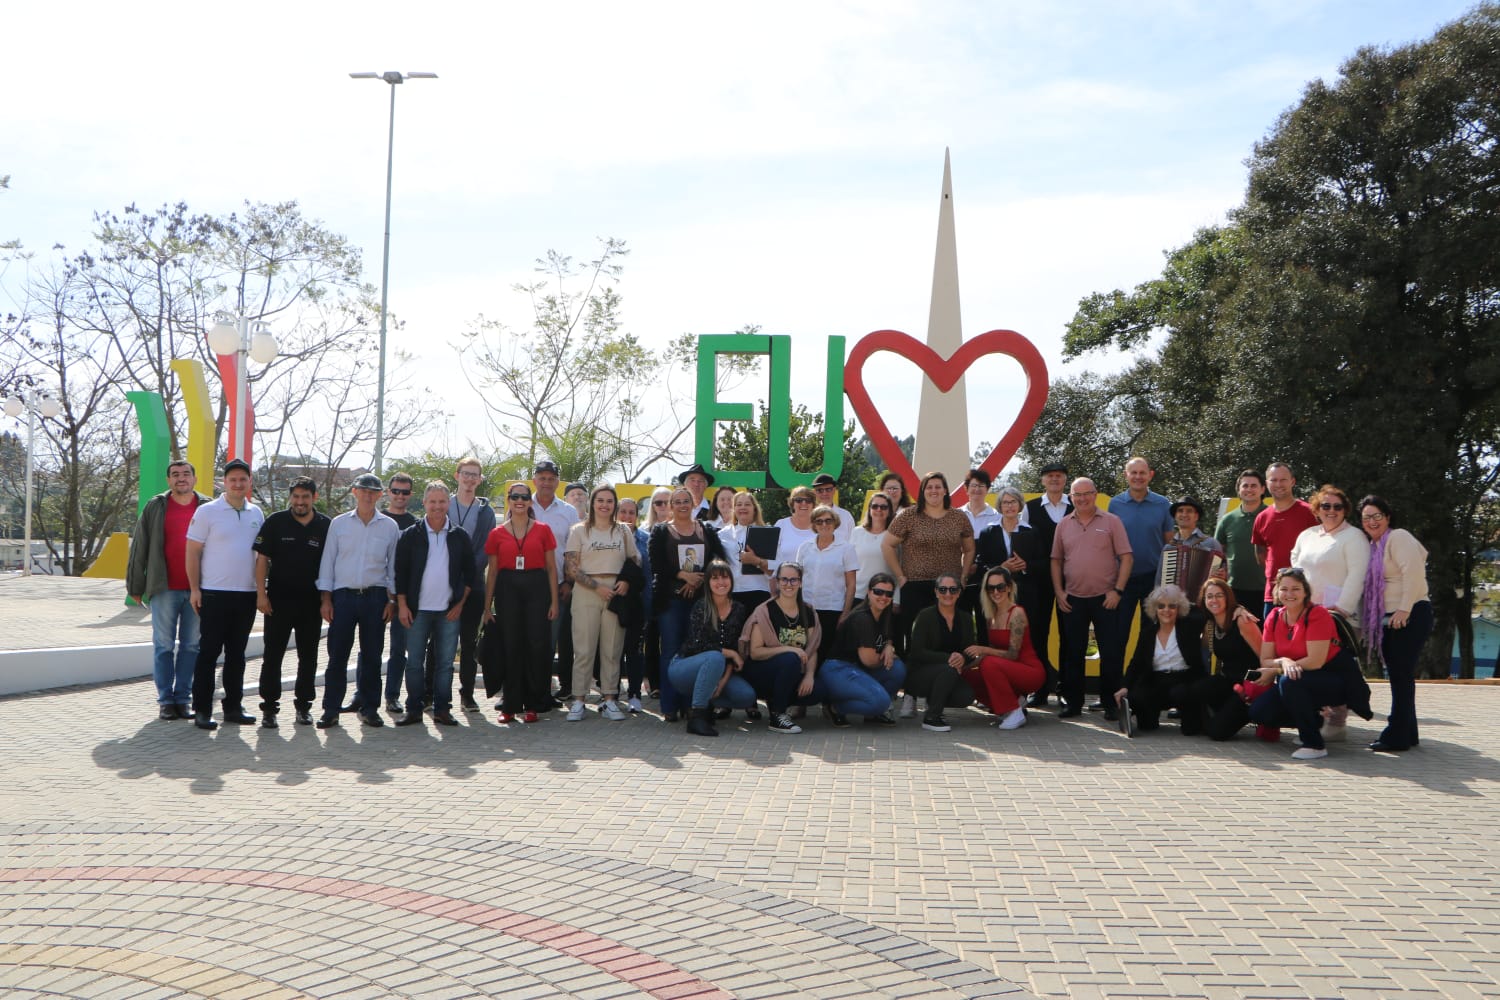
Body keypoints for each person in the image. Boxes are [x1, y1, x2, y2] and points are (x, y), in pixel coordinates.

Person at [1248, 567, 1370, 760]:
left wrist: (1279, 669)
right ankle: (1315, 720)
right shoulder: (1274, 617)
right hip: (1302, 677)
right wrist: (1284, 661)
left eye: (1295, 589)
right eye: (1284, 589)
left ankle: (1314, 744)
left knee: (1289, 682)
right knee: (1260, 712)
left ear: (1305, 591)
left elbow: (1315, 661)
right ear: (1277, 592)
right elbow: (1265, 660)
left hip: (1335, 679)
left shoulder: (1317, 614)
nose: (1289, 594)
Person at [185, 458, 265, 731]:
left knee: (237, 655)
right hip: (214, 594)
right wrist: (195, 589)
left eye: (243, 479)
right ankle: (202, 709)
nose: (238, 484)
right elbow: (193, 553)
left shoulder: (256, 513)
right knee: (208, 653)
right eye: (233, 479)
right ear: (224, 482)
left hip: (245, 595)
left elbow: (260, 557)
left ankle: (233, 707)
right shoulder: (207, 512)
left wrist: (260, 591)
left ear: (249, 482)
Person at [315, 472, 400, 729]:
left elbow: (393, 567)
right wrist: (326, 599)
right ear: (354, 492)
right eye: (363, 490)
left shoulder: (389, 526)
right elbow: (328, 562)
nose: (367, 495)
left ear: (380, 495)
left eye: (373, 491)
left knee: (373, 656)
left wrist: (392, 601)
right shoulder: (339, 524)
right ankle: (331, 709)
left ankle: (369, 708)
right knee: (337, 656)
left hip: (375, 597)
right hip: (343, 597)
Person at [127, 459, 208, 721]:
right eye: (175, 474)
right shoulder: (156, 506)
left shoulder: (208, 507)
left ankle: (183, 699)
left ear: (195, 479)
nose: (181, 478)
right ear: (168, 480)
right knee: (163, 645)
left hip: (199, 589)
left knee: (191, 646)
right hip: (164, 588)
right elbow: (140, 545)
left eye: (186, 474)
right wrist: (136, 585)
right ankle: (165, 700)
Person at [1290, 483, 1369, 742]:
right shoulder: (1308, 535)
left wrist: (1343, 608)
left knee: (1336, 666)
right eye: (1326, 506)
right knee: (1313, 666)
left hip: (1339, 615)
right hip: (1308, 613)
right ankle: (1318, 719)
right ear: (1316, 509)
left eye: (1337, 506)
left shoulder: (1354, 537)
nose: (1331, 510)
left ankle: (1337, 722)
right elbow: (1295, 566)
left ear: (1345, 509)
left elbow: (1358, 574)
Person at [393, 482, 474, 728]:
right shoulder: (411, 535)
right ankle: (414, 709)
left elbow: (470, 575)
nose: (437, 506)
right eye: (432, 502)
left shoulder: (459, 536)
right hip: (418, 611)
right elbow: (400, 573)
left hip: (448, 611)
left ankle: (442, 709)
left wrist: (460, 604)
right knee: (415, 662)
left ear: (448, 504)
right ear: (425, 504)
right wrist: (403, 606)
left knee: (446, 664)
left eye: (441, 502)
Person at [1050, 476, 1133, 720]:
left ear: (1095, 494)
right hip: (1073, 598)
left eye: (1087, 493)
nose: (1082, 498)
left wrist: (1117, 590)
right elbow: (1055, 560)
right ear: (1071, 498)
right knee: (1073, 653)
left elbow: (1126, 557)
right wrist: (1059, 591)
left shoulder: (1111, 522)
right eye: (1077, 495)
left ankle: (1111, 704)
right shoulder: (1063, 524)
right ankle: (1073, 704)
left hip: (1106, 598)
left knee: (1111, 653)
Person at [252, 475, 330, 727]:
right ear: (290, 498)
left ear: (314, 498)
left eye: (305, 497)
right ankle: (269, 709)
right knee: (272, 656)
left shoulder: (325, 526)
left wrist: (326, 600)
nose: (300, 501)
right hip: (277, 602)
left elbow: (331, 566)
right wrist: (261, 595)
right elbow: (261, 559)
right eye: (296, 496)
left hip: (311, 603)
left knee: (308, 658)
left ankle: (303, 707)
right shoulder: (276, 522)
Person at [1358, 495, 1432, 753]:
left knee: (1400, 676)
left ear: (1387, 517)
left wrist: (1404, 608)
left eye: (1377, 515)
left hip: (1410, 614)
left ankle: (1396, 735)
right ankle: (1408, 732)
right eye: (1366, 517)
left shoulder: (1398, 537)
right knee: (1400, 676)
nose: (1372, 521)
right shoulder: (1374, 547)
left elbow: (1413, 573)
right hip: (1389, 617)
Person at [483, 483, 559, 724]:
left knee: (536, 646)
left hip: (537, 587)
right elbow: (492, 572)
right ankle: (510, 704)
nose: (519, 500)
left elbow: (551, 568)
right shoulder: (497, 533)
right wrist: (487, 607)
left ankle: (534, 704)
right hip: (508, 589)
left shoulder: (543, 530)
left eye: (524, 497)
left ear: (530, 501)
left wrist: (554, 601)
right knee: (511, 645)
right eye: (515, 496)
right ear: (508, 500)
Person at [564, 485, 640, 722]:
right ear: (592, 503)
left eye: (609, 501)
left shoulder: (623, 532)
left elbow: (634, 560)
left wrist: (626, 582)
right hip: (587, 592)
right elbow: (571, 568)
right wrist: (597, 587)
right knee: (584, 649)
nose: (605, 505)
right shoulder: (578, 530)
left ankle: (609, 699)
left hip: (616, 594)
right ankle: (579, 699)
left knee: (612, 649)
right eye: (600, 500)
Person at [650, 487, 727, 721]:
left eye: (686, 501)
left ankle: (692, 704)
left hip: (701, 601)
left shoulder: (707, 530)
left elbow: (718, 560)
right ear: (671, 505)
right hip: (671, 601)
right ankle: (670, 706)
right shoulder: (661, 531)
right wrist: (683, 576)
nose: (683, 505)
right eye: (678, 501)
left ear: (693, 504)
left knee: (696, 651)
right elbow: (657, 564)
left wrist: (697, 580)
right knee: (670, 651)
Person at [882, 471, 975, 641]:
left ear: (945, 490)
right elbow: (887, 545)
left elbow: (969, 549)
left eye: (938, 487)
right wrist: (900, 576)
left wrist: (964, 575)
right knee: (916, 637)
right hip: (915, 587)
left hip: (949, 589)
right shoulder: (908, 516)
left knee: (949, 636)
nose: (934, 490)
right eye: (929, 487)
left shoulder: (959, 517)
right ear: (922, 491)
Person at [667, 560, 753, 736]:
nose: (720, 582)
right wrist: (731, 654)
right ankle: (697, 717)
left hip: (718, 669)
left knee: (746, 696)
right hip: (684, 668)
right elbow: (699, 644)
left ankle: (708, 706)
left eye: (724, 577)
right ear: (708, 583)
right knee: (715, 656)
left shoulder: (739, 609)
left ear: (731, 580)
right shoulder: (701, 606)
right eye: (715, 578)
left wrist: (721, 682)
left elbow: (734, 651)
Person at [1113, 584, 1208, 735]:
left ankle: (1193, 718)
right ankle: (1136, 714)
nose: (1166, 610)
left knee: (1191, 727)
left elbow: (1206, 612)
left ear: (1179, 609)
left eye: (1172, 606)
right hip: (1156, 680)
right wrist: (1125, 686)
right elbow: (1136, 663)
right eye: (1161, 606)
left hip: (1183, 680)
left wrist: (1238, 609)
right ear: (1154, 609)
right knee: (1144, 720)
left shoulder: (1189, 627)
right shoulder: (1147, 633)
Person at [740, 561, 822, 734]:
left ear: (800, 582)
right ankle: (778, 715)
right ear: (777, 582)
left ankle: (777, 700)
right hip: (761, 672)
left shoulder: (808, 612)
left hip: (790, 672)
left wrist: (809, 675)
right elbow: (755, 653)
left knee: (820, 691)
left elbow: (812, 648)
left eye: (793, 580)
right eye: (784, 579)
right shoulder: (765, 611)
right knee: (790, 659)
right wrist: (790, 649)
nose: (788, 584)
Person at [816, 571, 906, 726]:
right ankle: (835, 707)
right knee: (881, 702)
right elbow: (870, 661)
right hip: (838, 670)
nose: (883, 597)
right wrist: (890, 655)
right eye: (878, 592)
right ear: (868, 592)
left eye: (888, 594)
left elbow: (887, 636)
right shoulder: (862, 618)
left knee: (898, 669)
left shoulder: (884, 614)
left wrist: (888, 646)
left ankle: (871, 714)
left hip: (857, 669)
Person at [963, 567, 1046, 730]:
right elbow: (993, 653)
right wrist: (967, 666)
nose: (996, 592)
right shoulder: (990, 616)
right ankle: (1014, 702)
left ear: (1008, 587)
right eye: (990, 588)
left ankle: (1013, 711)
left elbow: (1012, 654)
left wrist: (983, 650)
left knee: (988, 663)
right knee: (967, 675)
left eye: (1000, 587)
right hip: (1007, 669)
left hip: (1030, 672)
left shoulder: (1017, 613)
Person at [1110, 456, 1176, 644]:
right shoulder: (1115, 505)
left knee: (1149, 635)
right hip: (1123, 580)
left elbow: (1169, 543)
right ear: (1126, 475)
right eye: (1134, 473)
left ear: (1150, 475)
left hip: (1153, 579)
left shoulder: (1163, 504)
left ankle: (1143, 674)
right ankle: (1117, 674)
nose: (1138, 477)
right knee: (1119, 633)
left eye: (1142, 473)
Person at [1022, 461, 1072, 706]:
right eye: (1050, 476)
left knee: (1069, 635)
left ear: (1065, 480)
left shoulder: (1076, 505)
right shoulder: (1029, 508)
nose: (1054, 479)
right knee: (1038, 634)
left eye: (1059, 476)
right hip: (1038, 581)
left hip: (1071, 581)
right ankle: (1040, 689)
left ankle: (1065, 690)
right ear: (1042, 480)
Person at [449, 457, 496, 713]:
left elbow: (487, 549)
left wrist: (467, 577)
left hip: (474, 585)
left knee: (468, 643)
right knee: (438, 644)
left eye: (474, 475)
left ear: (480, 480)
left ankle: (467, 694)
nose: (469, 479)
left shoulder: (486, 512)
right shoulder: (445, 504)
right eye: (465, 474)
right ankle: (432, 694)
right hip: (443, 584)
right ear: (457, 476)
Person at [532, 460, 580, 706]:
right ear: (534, 480)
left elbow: (572, 551)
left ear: (557, 482)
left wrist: (569, 582)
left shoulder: (568, 511)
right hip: (525, 585)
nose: (546, 482)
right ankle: (518, 691)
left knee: (549, 642)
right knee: (522, 639)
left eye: (551, 478)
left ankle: (542, 694)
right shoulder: (521, 504)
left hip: (558, 586)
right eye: (542, 477)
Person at [1195, 578, 1267, 741]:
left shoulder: (1242, 620)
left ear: (1228, 597)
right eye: (1210, 596)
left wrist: (1261, 689)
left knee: (1216, 732)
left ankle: (1251, 714)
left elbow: (1264, 656)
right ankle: (1226, 714)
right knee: (1199, 688)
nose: (1214, 600)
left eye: (1219, 595)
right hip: (1228, 682)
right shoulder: (1210, 624)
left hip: (1247, 687)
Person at [905, 573, 977, 731]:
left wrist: (963, 658)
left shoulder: (965, 618)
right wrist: (949, 658)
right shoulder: (925, 616)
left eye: (953, 590)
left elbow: (970, 650)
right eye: (943, 589)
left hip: (948, 673)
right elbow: (917, 652)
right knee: (949, 670)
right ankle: (931, 717)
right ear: (936, 592)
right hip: (919, 674)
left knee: (966, 695)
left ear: (959, 592)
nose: (948, 594)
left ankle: (934, 701)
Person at [974, 486, 1044, 638]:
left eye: (1013, 502)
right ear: (1000, 506)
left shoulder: (1031, 531)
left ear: (1019, 504)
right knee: (999, 635)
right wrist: (1001, 568)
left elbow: (1042, 562)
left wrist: (1026, 566)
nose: (1009, 506)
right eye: (1005, 503)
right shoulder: (988, 532)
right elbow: (980, 564)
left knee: (1027, 636)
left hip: (1025, 592)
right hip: (996, 593)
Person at [1252, 462, 1318, 618]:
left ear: (1292, 481)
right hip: (1273, 594)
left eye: (1283, 480)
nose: (1278, 484)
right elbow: (1261, 554)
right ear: (1266, 484)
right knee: (1271, 641)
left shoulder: (1309, 513)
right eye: (1273, 480)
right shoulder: (1262, 517)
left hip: (1304, 593)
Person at [796, 504, 858, 665]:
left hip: (832, 609)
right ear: (814, 525)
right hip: (806, 608)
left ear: (835, 522)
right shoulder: (804, 547)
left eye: (828, 520)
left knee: (825, 652)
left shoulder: (846, 549)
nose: (824, 524)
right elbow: (798, 579)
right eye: (819, 521)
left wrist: (845, 614)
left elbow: (851, 585)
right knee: (805, 650)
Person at [380, 472, 418, 715]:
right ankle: (362, 693)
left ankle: (392, 696)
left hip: (404, 596)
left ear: (410, 495)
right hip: (378, 593)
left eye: (405, 492)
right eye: (396, 491)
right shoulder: (377, 520)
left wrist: (399, 598)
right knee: (368, 648)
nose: (400, 496)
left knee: (398, 650)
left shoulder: (416, 525)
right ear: (388, 492)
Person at [617, 495, 653, 713]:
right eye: (623, 512)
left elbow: (649, 576)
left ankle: (634, 694)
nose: (627, 516)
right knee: (611, 651)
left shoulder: (647, 539)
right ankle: (610, 693)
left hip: (638, 604)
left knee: (635, 651)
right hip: (613, 601)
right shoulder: (608, 537)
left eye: (632, 512)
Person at [1214, 469, 1269, 614]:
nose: (1249, 489)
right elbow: (1217, 553)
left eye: (1253, 486)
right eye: (1245, 486)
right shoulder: (1227, 520)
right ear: (1238, 489)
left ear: (1262, 489)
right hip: (1234, 590)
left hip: (1267, 590)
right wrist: (1221, 570)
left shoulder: (1272, 516)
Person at [1159, 496, 1225, 606]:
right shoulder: (1168, 549)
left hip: (1204, 605)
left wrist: (1222, 575)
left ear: (1196, 516)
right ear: (1175, 516)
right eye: (1180, 511)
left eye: (1189, 511)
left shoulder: (1211, 544)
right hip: (1174, 607)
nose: (1184, 514)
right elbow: (1159, 583)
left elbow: (1224, 577)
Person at [720, 491, 773, 610]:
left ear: (754, 508)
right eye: (739, 504)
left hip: (758, 591)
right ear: (734, 509)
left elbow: (773, 571)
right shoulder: (722, 535)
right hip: (731, 592)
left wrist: (757, 561)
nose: (743, 507)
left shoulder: (767, 533)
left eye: (747, 504)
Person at [850, 492, 894, 601]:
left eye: (883, 507)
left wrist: (896, 599)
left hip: (884, 596)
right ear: (869, 510)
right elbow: (848, 565)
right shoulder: (856, 532)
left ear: (889, 512)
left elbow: (898, 570)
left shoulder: (894, 536)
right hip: (858, 594)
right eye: (875, 506)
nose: (879, 509)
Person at [773, 485, 819, 569]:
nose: (804, 503)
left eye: (808, 500)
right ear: (792, 504)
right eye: (799, 500)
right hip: (785, 580)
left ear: (813, 505)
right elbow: (771, 559)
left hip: (814, 581)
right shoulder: (781, 525)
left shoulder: (821, 526)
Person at [810, 473, 855, 542]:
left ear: (834, 490)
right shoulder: (809, 516)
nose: (824, 493)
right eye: (820, 490)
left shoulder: (846, 516)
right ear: (814, 492)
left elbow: (852, 543)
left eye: (828, 489)